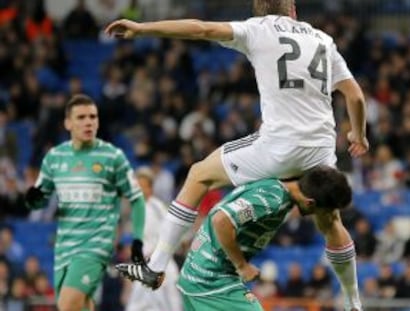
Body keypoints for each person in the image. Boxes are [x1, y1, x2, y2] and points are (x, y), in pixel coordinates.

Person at [106, 0, 368, 308]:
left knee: (199, 175)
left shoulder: (259, 29)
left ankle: (157, 264)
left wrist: (142, 28)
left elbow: (202, 29)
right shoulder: (323, 39)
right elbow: (355, 95)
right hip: (320, 151)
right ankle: (353, 302)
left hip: (278, 148)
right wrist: (358, 134)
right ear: (293, 10)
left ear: (260, 10)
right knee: (331, 221)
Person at [117, 166, 361, 311]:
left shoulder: (277, 180)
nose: (328, 217)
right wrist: (241, 264)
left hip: (197, 277)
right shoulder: (272, 200)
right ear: (310, 202)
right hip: (212, 281)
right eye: (326, 210)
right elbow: (220, 220)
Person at [25, 94, 147, 311]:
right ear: (67, 123)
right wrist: (33, 199)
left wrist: (137, 240)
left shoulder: (112, 157)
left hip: (95, 245)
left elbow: (136, 198)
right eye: (81, 117)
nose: (89, 122)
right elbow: (38, 201)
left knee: (67, 305)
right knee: (82, 306)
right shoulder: (54, 157)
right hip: (64, 247)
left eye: (93, 116)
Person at [124, 167, 182, 311]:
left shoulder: (158, 207)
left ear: (150, 188)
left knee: (172, 306)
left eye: (143, 186)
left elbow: (170, 235)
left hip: (162, 266)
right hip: (146, 267)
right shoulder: (138, 209)